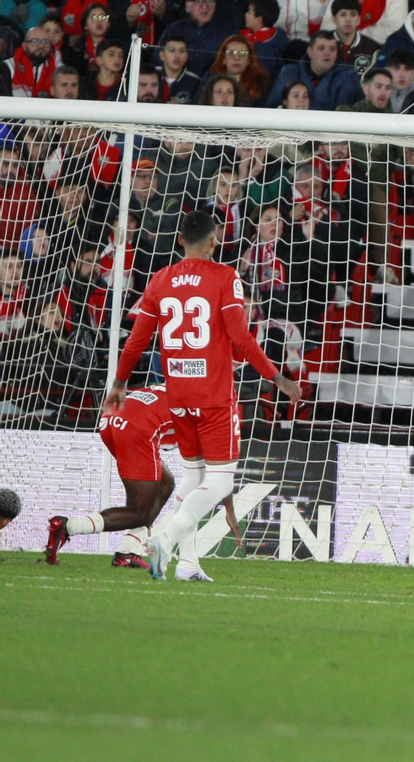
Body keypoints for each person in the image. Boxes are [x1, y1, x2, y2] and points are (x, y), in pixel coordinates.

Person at [107, 211, 301, 580]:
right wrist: (278, 378)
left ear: (180, 240)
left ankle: (189, 564)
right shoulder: (226, 278)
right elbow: (241, 338)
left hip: (177, 394)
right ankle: (166, 537)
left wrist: (119, 383)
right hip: (213, 396)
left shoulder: (160, 280)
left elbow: (137, 340)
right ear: (214, 241)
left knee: (194, 478)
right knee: (223, 480)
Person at [44, 384, 176, 569]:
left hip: (113, 418)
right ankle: (68, 526)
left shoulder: (189, 383)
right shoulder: (213, 408)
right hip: (138, 428)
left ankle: (128, 552)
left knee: (165, 483)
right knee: (139, 512)